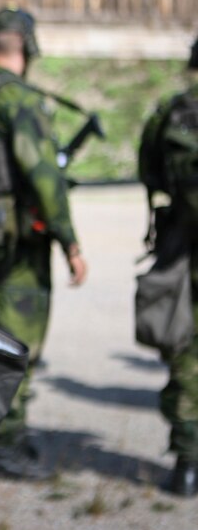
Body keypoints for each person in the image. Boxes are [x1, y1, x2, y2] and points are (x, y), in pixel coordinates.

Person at [0, 6, 89, 480]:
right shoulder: (19, 99)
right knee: (16, 341)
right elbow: (45, 177)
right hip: (17, 243)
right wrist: (70, 242)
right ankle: (4, 444)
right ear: (27, 48)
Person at [137, 34, 198, 497]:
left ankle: (187, 462)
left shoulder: (170, 112)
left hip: (182, 244)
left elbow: (150, 173)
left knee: (186, 351)